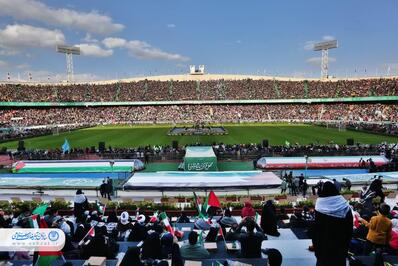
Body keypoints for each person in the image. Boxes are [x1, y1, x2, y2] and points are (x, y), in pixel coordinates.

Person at [312, 181, 353, 266]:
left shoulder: (320, 205)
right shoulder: (344, 205)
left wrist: (317, 248)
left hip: (324, 247)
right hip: (339, 246)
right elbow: (349, 230)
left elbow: (316, 230)